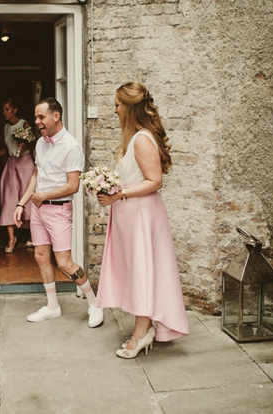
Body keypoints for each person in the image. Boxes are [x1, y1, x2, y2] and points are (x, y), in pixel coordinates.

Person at [96, 82, 189, 358]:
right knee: (138, 270)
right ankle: (145, 326)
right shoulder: (134, 138)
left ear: (129, 107)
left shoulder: (142, 139)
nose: (114, 110)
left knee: (143, 271)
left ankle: (142, 332)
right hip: (130, 216)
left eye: (117, 105)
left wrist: (118, 193)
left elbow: (155, 181)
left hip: (142, 217)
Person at [14, 97, 104, 328]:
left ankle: (95, 304)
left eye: (41, 117)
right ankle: (52, 306)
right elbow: (36, 175)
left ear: (56, 116)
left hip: (58, 210)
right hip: (37, 209)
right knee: (41, 256)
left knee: (64, 262)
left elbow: (73, 185)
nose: (37, 122)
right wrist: (21, 204)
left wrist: (44, 196)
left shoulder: (71, 146)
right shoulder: (41, 142)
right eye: (36, 117)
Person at [0, 98, 35, 253]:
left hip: (25, 163)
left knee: (28, 198)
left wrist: (25, 144)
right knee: (9, 199)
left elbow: (33, 144)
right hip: (11, 164)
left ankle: (33, 235)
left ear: (15, 110)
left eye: (7, 109)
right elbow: (6, 148)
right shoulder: (5, 127)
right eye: (3, 110)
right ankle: (12, 238)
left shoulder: (24, 124)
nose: (4, 112)